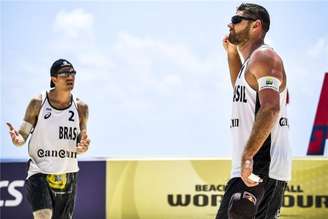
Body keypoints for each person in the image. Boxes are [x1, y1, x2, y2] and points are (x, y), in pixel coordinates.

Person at [216, 3, 291, 219]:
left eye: (237, 20)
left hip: (260, 166)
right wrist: (231, 53)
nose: (230, 24)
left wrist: (248, 157)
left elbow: (270, 107)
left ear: (256, 25)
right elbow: (243, 93)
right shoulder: (251, 63)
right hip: (250, 167)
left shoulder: (265, 57)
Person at [6, 59, 90, 219]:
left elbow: (82, 140)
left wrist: (84, 146)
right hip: (39, 171)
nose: (70, 76)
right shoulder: (38, 102)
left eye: (72, 73)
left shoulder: (81, 107)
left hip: (68, 173)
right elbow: (23, 135)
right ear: (54, 79)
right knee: (44, 215)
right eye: (65, 73)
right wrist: (18, 139)